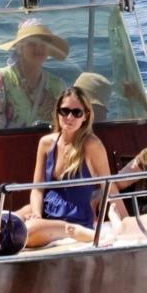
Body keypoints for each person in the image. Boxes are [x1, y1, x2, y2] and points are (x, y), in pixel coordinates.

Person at [14, 86, 113, 247]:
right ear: (57, 112)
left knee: (27, 232)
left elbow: (110, 188)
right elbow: (37, 189)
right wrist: (37, 214)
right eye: (64, 111)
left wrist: (125, 222)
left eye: (76, 113)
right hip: (46, 210)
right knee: (2, 225)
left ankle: (77, 231)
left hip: (74, 216)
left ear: (86, 116)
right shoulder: (46, 143)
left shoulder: (91, 144)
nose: (69, 117)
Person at [0, 19, 69, 129]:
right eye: (32, 43)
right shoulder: (1, 78)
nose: (39, 48)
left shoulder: (56, 85)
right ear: (20, 48)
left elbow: (62, 127)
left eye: (43, 43)